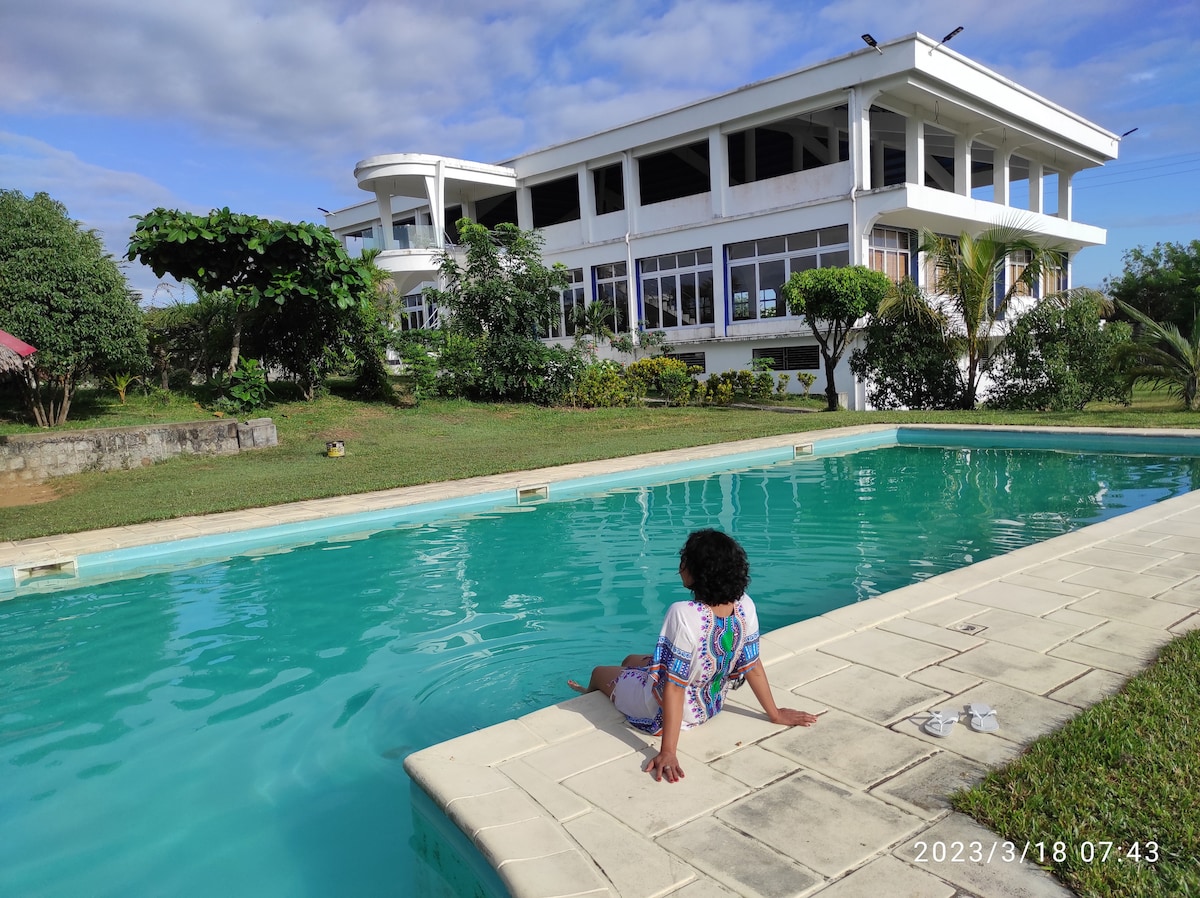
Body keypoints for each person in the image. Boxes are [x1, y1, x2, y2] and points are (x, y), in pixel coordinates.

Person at [568, 529, 819, 783]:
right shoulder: (745, 604)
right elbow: (751, 665)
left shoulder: (683, 614)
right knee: (631, 659)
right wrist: (774, 713)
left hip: (664, 713)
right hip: (709, 706)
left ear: (698, 573)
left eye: (684, 561)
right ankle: (627, 676)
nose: (680, 567)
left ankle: (589, 693)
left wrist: (668, 752)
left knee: (599, 673)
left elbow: (674, 688)